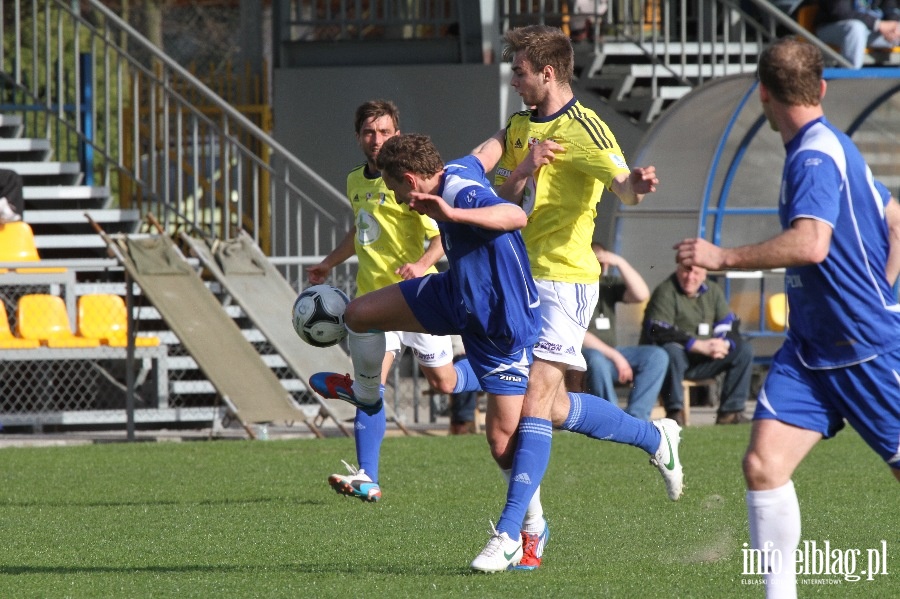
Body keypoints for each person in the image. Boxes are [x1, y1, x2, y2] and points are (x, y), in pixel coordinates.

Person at [674, 38, 900, 597]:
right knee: (763, 466)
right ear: (821, 88)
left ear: (762, 95)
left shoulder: (815, 157)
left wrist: (721, 256)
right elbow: (896, 219)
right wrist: (888, 286)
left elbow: (811, 243)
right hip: (810, 351)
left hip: (864, 347)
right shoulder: (832, 145)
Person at [468, 24, 682, 573]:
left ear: (547, 72)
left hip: (566, 280)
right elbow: (498, 191)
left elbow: (623, 188)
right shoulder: (518, 126)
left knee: (538, 398)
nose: (513, 79)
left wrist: (638, 182)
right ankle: (653, 436)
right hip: (515, 277)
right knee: (512, 427)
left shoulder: (586, 127)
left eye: (519, 70)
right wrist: (521, 169)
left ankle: (513, 532)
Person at [308, 133, 543, 543]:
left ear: (411, 180)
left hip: (500, 317)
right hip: (456, 291)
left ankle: (533, 526)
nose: (396, 197)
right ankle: (366, 393)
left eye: (396, 187)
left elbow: (514, 216)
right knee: (358, 314)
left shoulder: (462, 194)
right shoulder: (459, 168)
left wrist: (451, 213)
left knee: (503, 438)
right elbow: (485, 152)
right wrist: (516, 137)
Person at [306, 101, 481, 503]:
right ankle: (367, 475)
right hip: (373, 305)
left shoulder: (408, 181)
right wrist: (328, 264)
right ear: (358, 137)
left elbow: (443, 232)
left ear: (397, 135)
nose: (377, 139)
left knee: (445, 382)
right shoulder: (355, 180)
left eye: (385, 132)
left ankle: (497, 369)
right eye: (370, 132)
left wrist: (421, 264)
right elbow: (360, 228)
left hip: (417, 300)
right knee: (373, 389)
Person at [640, 263, 754, 426]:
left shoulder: (713, 290)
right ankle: (674, 412)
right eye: (686, 271)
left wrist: (723, 343)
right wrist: (697, 344)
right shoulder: (665, 291)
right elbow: (657, 329)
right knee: (670, 351)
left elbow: (728, 322)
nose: (690, 277)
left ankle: (730, 412)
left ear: (704, 274)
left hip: (705, 359)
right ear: (678, 269)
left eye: (696, 273)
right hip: (675, 362)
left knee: (743, 349)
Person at [579, 243, 668, 421]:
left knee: (657, 356)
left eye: (603, 263)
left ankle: (636, 417)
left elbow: (641, 294)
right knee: (597, 360)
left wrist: (620, 262)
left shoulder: (606, 285)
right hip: (585, 356)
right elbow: (579, 334)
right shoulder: (574, 286)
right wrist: (616, 357)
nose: (600, 267)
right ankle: (612, 419)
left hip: (613, 353)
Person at [815, 0, 900, 68]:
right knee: (856, 28)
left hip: (871, 31)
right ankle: (849, 78)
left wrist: (893, 26)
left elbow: (890, 8)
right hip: (832, 28)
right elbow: (841, 12)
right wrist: (878, 24)